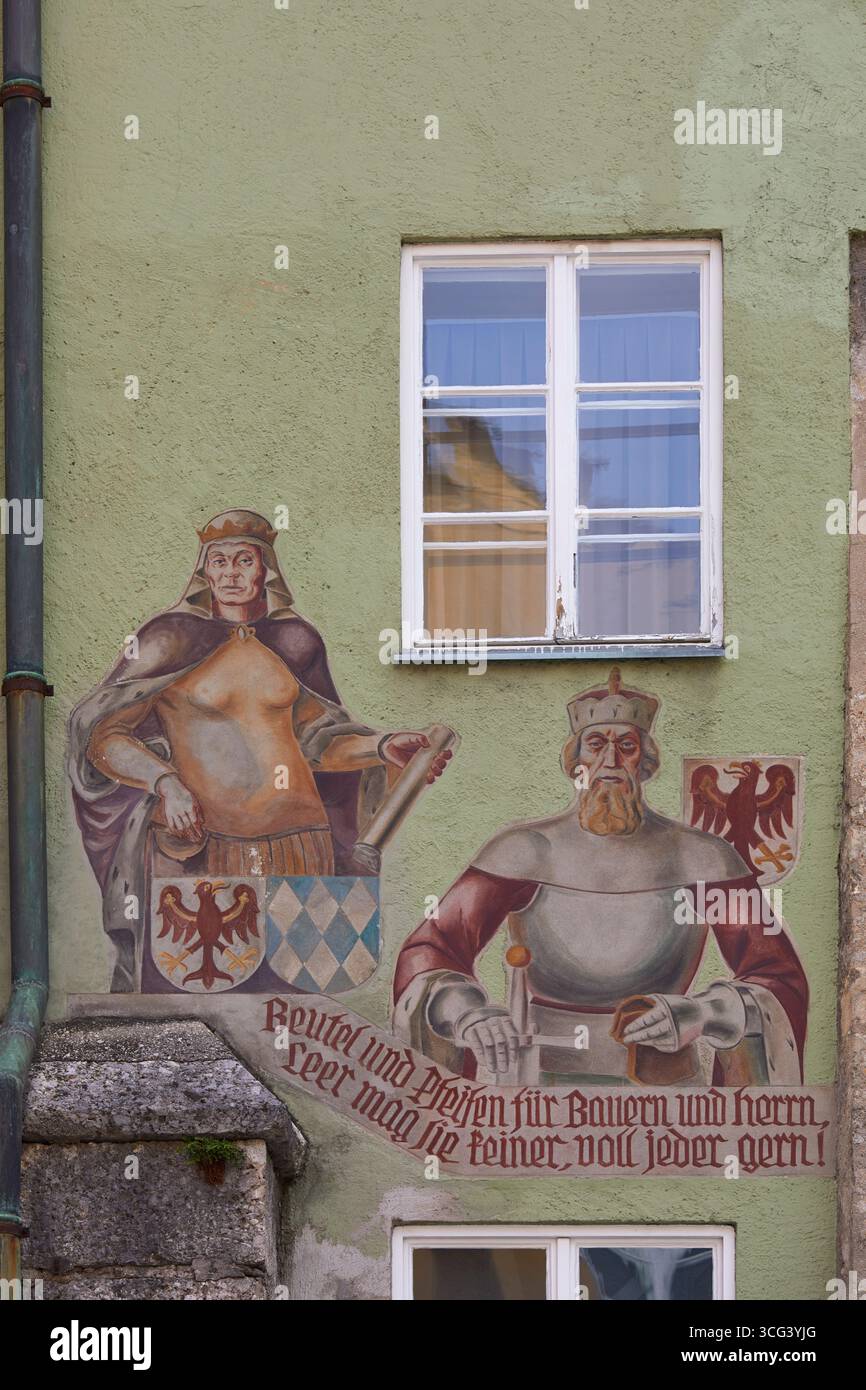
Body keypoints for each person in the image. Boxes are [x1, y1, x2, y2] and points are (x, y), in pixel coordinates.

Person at [69, 509, 450, 990]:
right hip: (204, 847)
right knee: (200, 1002)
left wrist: (382, 746)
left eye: (244, 560)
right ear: (204, 570)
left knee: (292, 1009)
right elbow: (103, 735)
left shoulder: (295, 642)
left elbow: (319, 742)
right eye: (219, 561)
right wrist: (166, 783)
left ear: (265, 569)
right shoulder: (168, 639)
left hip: (301, 844)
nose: (231, 574)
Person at [393, 668, 807, 1086]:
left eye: (626, 746)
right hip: (535, 1085)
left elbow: (774, 975)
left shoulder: (702, 857)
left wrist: (703, 1012)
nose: (610, 761)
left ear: (644, 762)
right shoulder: (525, 849)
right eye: (596, 745)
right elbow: (434, 947)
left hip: (667, 1091)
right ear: (576, 761)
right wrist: (470, 1013)